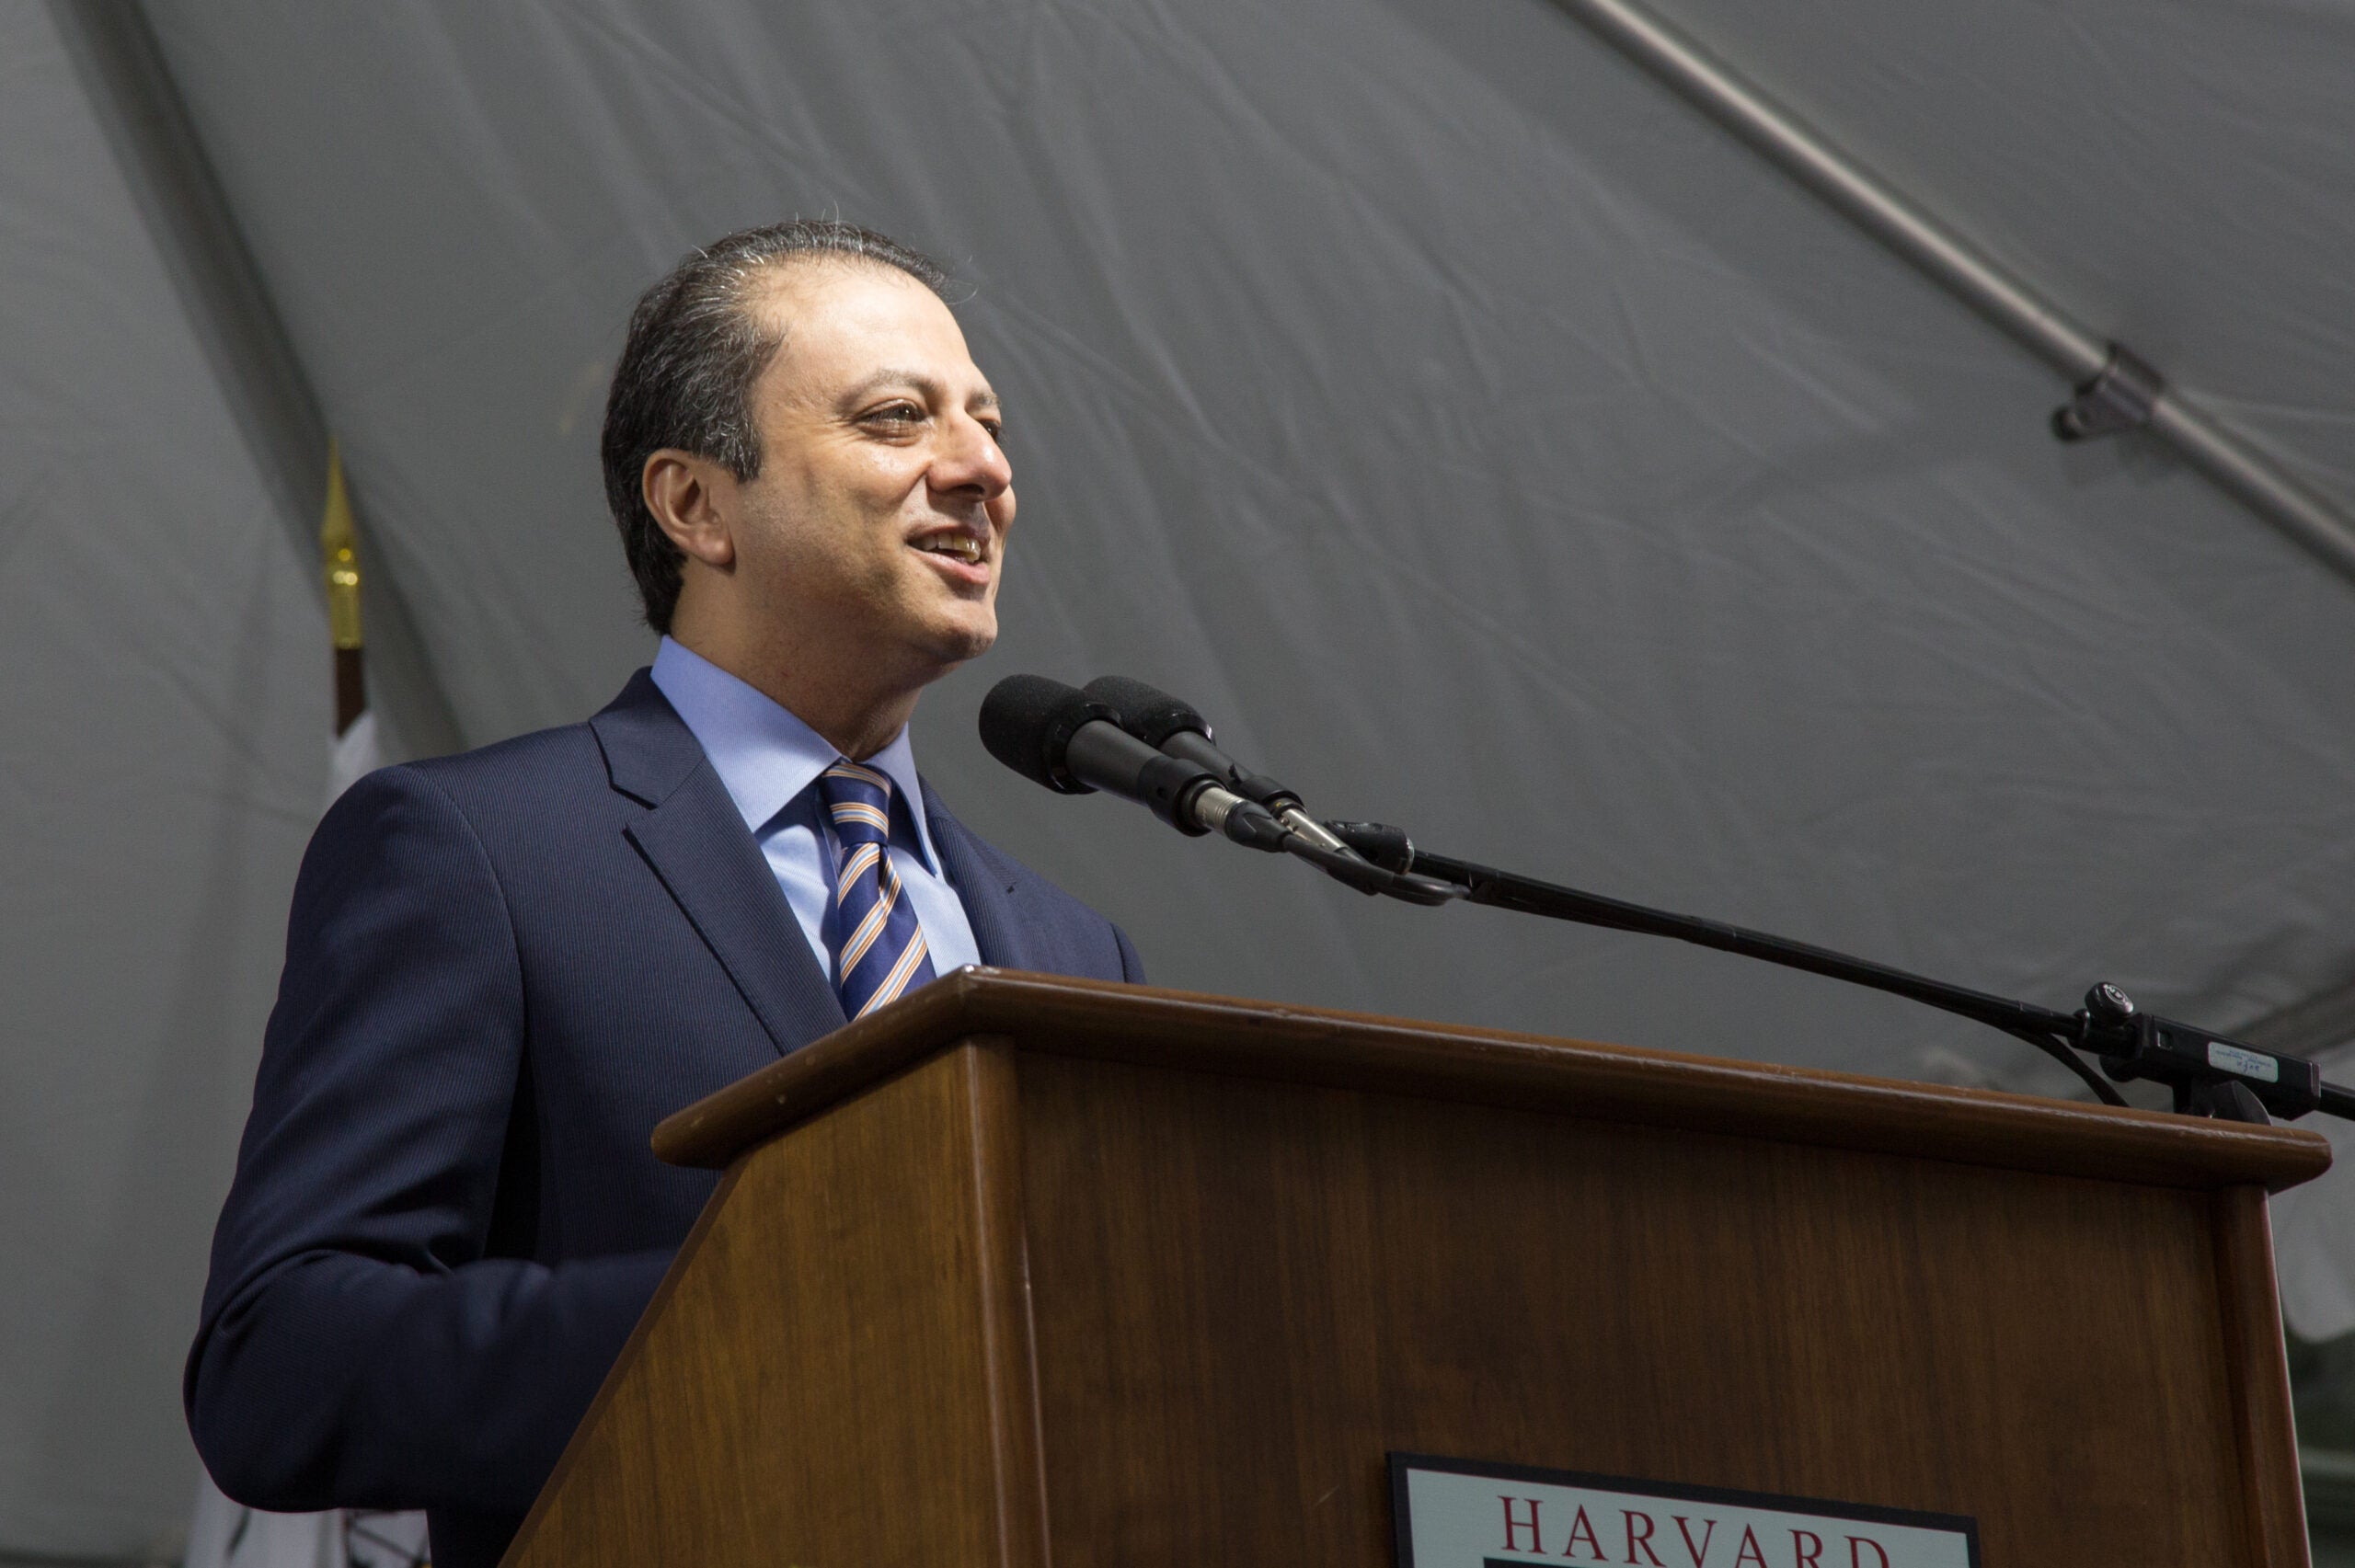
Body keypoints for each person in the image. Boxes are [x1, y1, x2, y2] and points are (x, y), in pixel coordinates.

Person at [185, 221, 1143, 1568]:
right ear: (695, 506)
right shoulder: (476, 850)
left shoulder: (1075, 952)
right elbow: (280, 1359)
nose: (983, 467)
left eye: (986, 422)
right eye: (897, 417)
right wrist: (756, 1314)